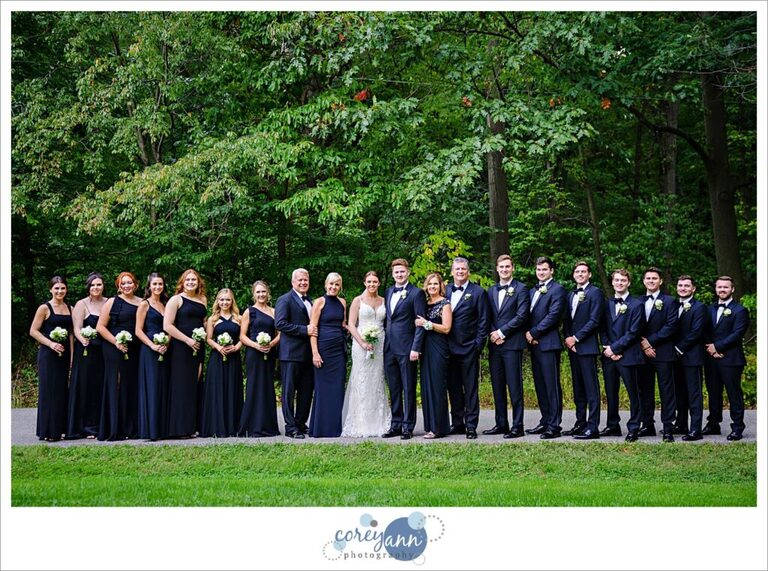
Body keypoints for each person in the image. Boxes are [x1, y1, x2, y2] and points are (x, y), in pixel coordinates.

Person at [341, 271, 392, 437]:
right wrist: (362, 342)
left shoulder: (384, 300)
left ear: (378, 283)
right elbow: (351, 324)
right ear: (364, 283)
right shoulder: (358, 300)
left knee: (377, 379)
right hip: (361, 342)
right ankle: (361, 422)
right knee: (362, 379)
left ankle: (379, 421)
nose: (372, 284)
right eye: (369, 281)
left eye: (375, 282)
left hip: (379, 344)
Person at [486, 255, 530, 438]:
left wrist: (502, 333)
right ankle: (501, 423)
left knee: (514, 386)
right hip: (494, 345)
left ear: (513, 269)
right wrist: (493, 334)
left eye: (507, 267)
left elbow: (522, 316)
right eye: (501, 267)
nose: (504, 270)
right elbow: (486, 315)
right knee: (497, 386)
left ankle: (517, 426)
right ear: (497, 269)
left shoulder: (521, 289)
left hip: (512, 344)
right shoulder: (491, 290)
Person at [382, 258, 426, 440]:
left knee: (408, 388)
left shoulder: (416, 293)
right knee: (394, 388)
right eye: (396, 272)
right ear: (393, 274)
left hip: (407, 348)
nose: (399, 274)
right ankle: (396, 424)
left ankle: (408, 426)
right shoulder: (388, 291)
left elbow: (420, 323)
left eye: (402, 271)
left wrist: (416, 347)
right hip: (389, 348)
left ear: (408, 272)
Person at [444, 257, 488, 439]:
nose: (460, 272)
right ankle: (458, 423)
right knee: (453, 388)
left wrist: (478, 345)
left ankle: (471, 425)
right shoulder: (444, 290)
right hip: (447, 347)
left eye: (463, 269)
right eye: (457, 269)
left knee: (470, 388)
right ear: (452, 271)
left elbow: (483, 320)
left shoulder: (478, 292)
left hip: (469, 347)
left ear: (468, 271)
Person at [600, 269, 645, 442]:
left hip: (629, 355)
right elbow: (602, 328)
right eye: (617, 280)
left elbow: (634, 332)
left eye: (623, 280)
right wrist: (607, 348)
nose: (619, 283)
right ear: (612, 282)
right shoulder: (607, 303)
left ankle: (634, 427)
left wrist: (615, 349)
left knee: (634, 393)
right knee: (611, 392)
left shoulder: (636, 304)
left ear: (628, 283)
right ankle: (613, 425)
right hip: (609, 356)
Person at [525, 256, 567, 439]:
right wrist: (528, 334)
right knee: (540, 385)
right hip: (534, 344)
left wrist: (534, 333)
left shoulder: (557, 289)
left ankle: (554, 425)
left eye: (544, 269)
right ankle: (545, 420)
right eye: (538, 269)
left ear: (551, 271)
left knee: (551, 385)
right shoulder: (532, 290)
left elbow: (554, 315)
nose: (541, 272)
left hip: (548, 343)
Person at [96, 271, 142, 441]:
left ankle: (131, 427)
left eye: (130, 283)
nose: (127, 286)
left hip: (135, 348)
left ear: (136, 285)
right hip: (113, 347)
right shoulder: (112, 302)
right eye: (123, 283)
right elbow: (100, 327)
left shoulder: (141, 303)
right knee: (116, 384)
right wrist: (116, 341)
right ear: (119, 286)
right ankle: (115, 427)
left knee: (131, 385)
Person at [703, 276, 750, 441]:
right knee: (713, 392)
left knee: (733, 393)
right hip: (711, 358)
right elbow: (704, 331)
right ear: (715, 289)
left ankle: (737, 427)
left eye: (726, 287)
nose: (722, 290)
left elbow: (737, 334)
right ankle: (713, 424)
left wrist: (718, 347)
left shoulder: (740, 310)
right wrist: (711, 349)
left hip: (731, 359)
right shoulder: (709, 309)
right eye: (719, 287)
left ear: (732, 289)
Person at [562, 261, 604, 439]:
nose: (580, 274)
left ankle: (593, 426)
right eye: (577, 271)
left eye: (583, 271)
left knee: (591, 388)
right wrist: (568, 339)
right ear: (573, 275)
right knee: (578, 388)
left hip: (587, 347)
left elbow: (594, 320)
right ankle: (580, 423)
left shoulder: (595, 293)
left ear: (589, 275)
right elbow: (567, 320)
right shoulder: (571, 294)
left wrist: (576, 338)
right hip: (573, 348)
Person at [164, 269, 207, 439]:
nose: (191, 282)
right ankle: (179, 428)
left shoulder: (202, 300)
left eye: (194, 280)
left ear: (198, 282)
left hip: (198, 347)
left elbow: (204, 322)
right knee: (181, 386)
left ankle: (192, 426)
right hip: (181, 348)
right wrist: (187, 340)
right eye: (187, 280)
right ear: (182, 282)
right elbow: (167, 325)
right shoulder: (176, 300)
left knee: (194, 385)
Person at [29, 276, 73, 442]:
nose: (60, 291)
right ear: (51, 290)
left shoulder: (70, 307)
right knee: (49, 391)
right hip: (48, 354)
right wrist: (51, 344)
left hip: (65, 354)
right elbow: (33, 331)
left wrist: (72, 357)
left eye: (62, 288)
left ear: (66, 289)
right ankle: (47, 430)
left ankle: (60, 428)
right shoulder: (44, 308)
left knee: (62, 390)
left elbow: (70, 334)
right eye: (56, 288)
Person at [637, 267, 679, 442]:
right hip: (642, 354)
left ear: (660, 281)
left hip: (663, 352)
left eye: (655, 278)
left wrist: (650, 342)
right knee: (644, 390)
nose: (651, 281)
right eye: (648, 278)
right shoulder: (637, 301)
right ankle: (647, 425)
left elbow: (671, 327)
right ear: (644, 281)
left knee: (666, 391)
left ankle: (668, 427)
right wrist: (642, 343)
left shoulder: (670, 301)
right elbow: (633, 326)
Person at [274, 268, 316, 439]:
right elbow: (280, 324)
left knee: (306, 391)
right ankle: (290, 427)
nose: (303, 283)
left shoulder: (311, 301)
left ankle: (300, 422)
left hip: (309, 354)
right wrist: (304, 330)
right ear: (293, 282)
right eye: (299, 280)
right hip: (290, 354)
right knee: (289, 392)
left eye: (305, 280)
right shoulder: (284, 299)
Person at [66, 272, 106, 439]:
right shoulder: (81, 304)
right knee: (86, 387)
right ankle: (85, 427)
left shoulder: (108, 302)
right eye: (93, 285)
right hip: (86, 352)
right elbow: (76, 328)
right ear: (88, 287)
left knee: (100, 388)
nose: (96, 288)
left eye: (99, 285)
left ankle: (100, 424)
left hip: (103, 352)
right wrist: (82, 339)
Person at [199, 288, 243, 437]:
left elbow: (242, 337)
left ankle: (233, 425)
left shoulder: (239, 318)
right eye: (222, 300)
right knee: (217, 390)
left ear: (232, 301)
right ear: (218, 301)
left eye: (228, 300)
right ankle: (217, 426)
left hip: (234, 358)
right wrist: (219, 347)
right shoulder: (212, 319)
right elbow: (209, 338)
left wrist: (236, 347)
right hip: (217, 358)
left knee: (232, 388)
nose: (225, 302)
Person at [239, 280, 281, 437]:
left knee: (267, 386)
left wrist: (271, 344)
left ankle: (268, 426)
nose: (261, 294)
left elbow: (280, 334)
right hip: (254, 354)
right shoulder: (249, 312)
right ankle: (252, 426)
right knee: (254, 386)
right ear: (253, 294)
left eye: (263, 291)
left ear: (268, 293)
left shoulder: (274, 311)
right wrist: (256, 346)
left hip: (269, 353)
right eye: (258, 292)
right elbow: (242, 336)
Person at [308, 273, 348, 438]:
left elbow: (344, 325)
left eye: (337, 285)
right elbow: (313, 329)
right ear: (326, 284)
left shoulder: (342, 302)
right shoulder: (319, 302)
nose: (333, 287)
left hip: (339, 350)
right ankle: (320, 428)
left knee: (337, 388)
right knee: (323, 388)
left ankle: (334, 428)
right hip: (323, 349)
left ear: (340, 286)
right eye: (331, 284)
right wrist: (315, 353)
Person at [414, 272, 452, 439]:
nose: (432, 287)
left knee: (437, 387)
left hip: (439, 347)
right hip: (426, 348)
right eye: (430, 284)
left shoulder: (445, 304)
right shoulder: (425, 303)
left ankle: (438, 428)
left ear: (440, 286)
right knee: (427, 387)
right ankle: (430, 426)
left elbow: (446, 328)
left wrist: (427, 324)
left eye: (435, 284)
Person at [672, 275, 707, 441]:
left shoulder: (699, 307)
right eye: (680, 285)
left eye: (687, 286)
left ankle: (695, 429)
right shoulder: (673, 304)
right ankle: (681, 424)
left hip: (691, 356)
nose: (683, 288)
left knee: (694, 394)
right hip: (674, 357)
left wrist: (679, 348)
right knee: (679, 392)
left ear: (693, 289)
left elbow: (696, 332)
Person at [135, 273, 170, 441]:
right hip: (149, 350)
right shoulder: (144, 304)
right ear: (149, 286)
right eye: (155, 284)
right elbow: (138, 330)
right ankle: (151, 430)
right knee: (152, 386)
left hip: (165, 349)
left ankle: (162, 428)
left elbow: (169, 327)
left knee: (163, 386)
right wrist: (153, 345)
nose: (158, 287)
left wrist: (166, 343)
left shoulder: (165, 304)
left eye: (160, 284)